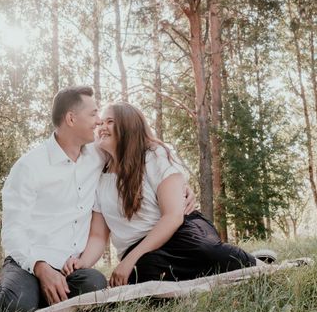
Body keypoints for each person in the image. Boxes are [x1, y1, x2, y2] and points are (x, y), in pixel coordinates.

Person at [0, 87, 196, 312]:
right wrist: (40, 267)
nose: (99, 121)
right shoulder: (29, 167)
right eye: (93, 114)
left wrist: (180, 186)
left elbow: (139, 147)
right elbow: (13, 232)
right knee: (14, 306)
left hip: (70, 267)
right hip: (30, 260)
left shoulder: (99, 155)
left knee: (95, 288)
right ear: (71, 118)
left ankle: (39, 295)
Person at [72, 102, 260, 286]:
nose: (102, 127)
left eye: (110, 122)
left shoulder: (155, 156)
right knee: (145, 271)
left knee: (204, 249)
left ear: (128, 126)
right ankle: (209, 275)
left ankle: (257, 264)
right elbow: (98, 235)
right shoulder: (100, 176)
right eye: (101, 122)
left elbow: (173, 217)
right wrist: (83, 262)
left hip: (180, 231)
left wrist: (129, 260)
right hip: (141, 251)